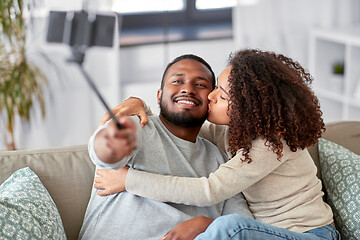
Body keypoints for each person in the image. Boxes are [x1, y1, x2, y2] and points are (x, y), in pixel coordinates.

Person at [95, 49, 340, 240]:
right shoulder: (229, 133)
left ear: (247, 110)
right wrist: (143, 107)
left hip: (309, 235)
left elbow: (210, 190)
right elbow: (181, 122)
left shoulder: (271, 143)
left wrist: (129, 180)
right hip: (264, 233)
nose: (210, 96)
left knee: (231, 227)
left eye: (221, 96)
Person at [79, 54, 252, 240]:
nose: (187, 89)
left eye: (200, 84)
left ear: (210, 101)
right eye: (177, 81)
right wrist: (110, 143)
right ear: (159, 95)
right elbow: (102, 153)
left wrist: (207, 225)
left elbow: (242, 226)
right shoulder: (138, 127)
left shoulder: (220, 160)